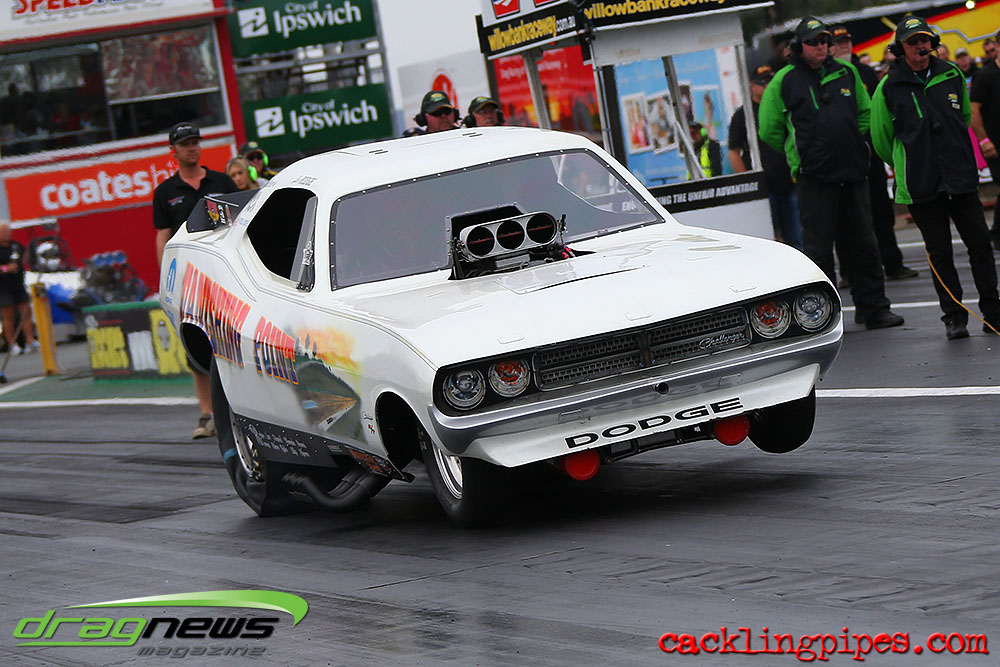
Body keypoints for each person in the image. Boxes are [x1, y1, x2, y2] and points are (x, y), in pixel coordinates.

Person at [759, 16, 903, 330]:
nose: (821, 46)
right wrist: (801, 152)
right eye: (813, 42)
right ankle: (823, 318)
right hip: (813, 177)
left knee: (864, 244)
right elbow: (769, 129)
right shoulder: (783, 81)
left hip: (852, 172)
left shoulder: (847, 72)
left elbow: (865, 114)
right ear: (799, 46)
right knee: (819, 250)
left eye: (825, 41)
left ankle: (874, 309)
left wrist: (849, 141)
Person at [872, 17, 1000, 339]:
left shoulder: (951, 73)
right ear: (900, 47)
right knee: (940, 253)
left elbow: (964, 117)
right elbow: (881, 139)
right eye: (913, 41)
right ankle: (954, 317)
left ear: (933, 42)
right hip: (922, 182)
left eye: (925, 40)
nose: (921, 46)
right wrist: (910, 161)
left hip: (959, 175)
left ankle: (994, 312)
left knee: (980, 245)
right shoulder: (888, 86)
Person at [152, 123, 239, 438]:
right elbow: (163, 236)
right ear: (173, 151)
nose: (192, 147)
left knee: (235, 338)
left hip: (226, 272)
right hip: (189, 280)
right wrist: (166, 276)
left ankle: (240, 407)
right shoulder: (165, 192)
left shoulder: (221, 181)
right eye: (185, 143)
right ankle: (207, 413)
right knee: (197, 345)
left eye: (195, 142)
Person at [831, 24, 919, 282]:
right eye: (839, 42)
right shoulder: (829, 75)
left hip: (869, 154)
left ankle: (893, 263)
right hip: (841, 156)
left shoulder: (866, 72)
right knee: (845, 215)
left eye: (847, 40)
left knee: (881, 210)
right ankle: (849, 272)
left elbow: (879, 113)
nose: (844, 45)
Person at [727, 65, 802, 249]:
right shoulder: (742, 115)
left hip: (788, 182)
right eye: (762, 82)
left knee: (796, 239)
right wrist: (749, 183)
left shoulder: (784, 107)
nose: (767, 86)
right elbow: (733, 153)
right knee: (767, 241)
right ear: (752, 86)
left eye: (770, 81)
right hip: (762, 188)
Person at [971, 29, 1000, 247]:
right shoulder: (985, 75)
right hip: (996, 142)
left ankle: (997, 233)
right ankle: (997, 234)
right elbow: (974, 111)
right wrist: (984, 141)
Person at [0, 222, 39, 356]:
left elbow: (25, 256)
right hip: (3, 288)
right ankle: (12, 344)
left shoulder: (15, 245)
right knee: (8, 316)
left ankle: (30, 340)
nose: (7, 234)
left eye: (8, 231)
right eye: (4, 232)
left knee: (26, 313)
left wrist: (23, 262)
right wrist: (5, 268)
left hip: (18, 284)